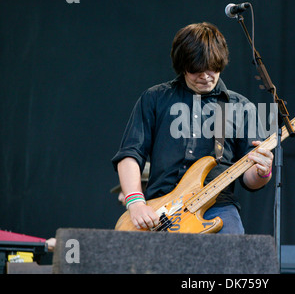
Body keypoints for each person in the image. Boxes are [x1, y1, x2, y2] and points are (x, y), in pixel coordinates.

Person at [112, 22, 273, 234]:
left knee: (233, 259)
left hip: (218, 206)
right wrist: (135, 203)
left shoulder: (241, 107)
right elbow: (130, 154)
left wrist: (262, 172)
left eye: (212, 69)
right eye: (197, 70)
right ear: (182, 66)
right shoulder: (154, 98)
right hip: (161, 208)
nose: (206, 76)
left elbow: (250, 181)